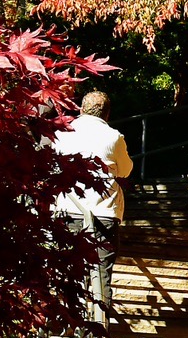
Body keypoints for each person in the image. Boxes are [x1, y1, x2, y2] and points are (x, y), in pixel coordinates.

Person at [52, 90, 133, 315]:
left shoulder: (62, 132)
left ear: (80, 108)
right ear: (107, 114)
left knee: (68, 267)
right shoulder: (114, 137)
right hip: (103, 212)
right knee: (102, 271)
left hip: (68, 208)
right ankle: (100, 325)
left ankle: (67, 318)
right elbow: (125, 170)